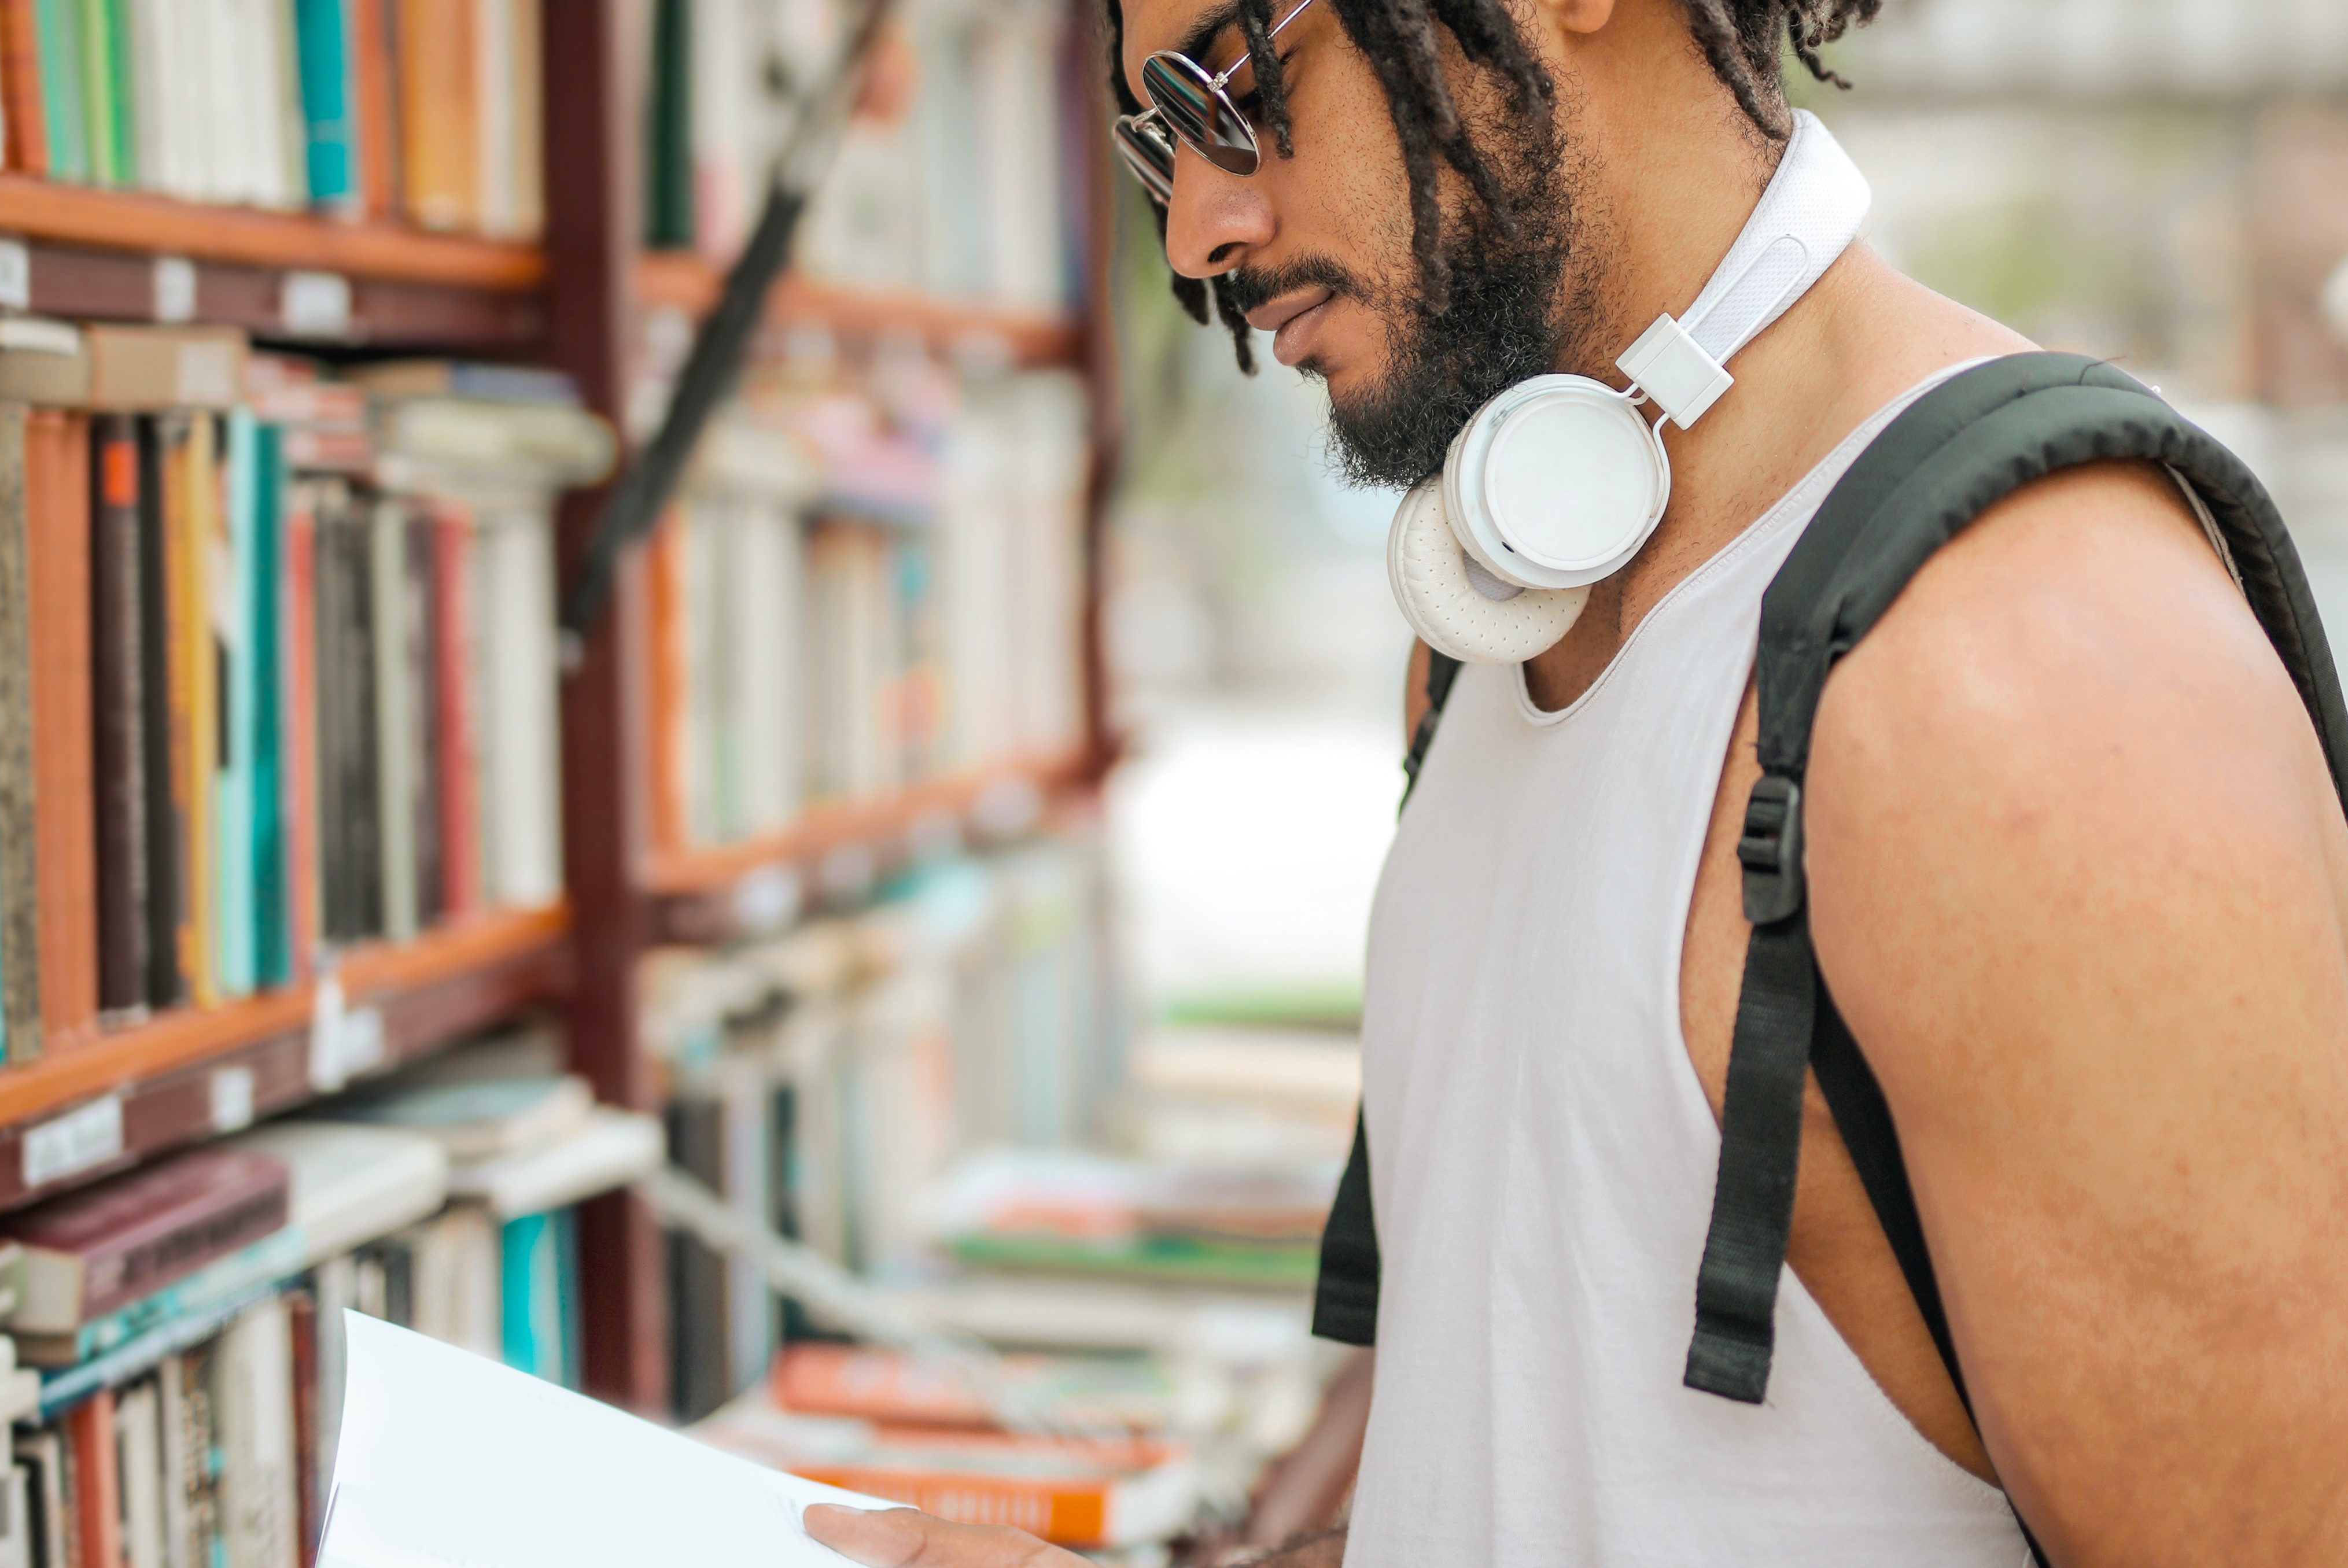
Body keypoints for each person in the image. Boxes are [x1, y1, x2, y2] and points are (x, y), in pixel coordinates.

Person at [807, 0, 2348, 1562]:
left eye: (1233, 84)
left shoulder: (2020, 673)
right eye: (1161, 141)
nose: (1200, 232)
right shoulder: (1494, 622)